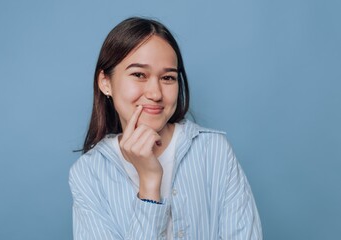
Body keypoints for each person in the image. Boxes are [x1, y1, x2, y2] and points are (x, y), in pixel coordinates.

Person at [69, 17, 262, 239]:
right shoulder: (88, 173)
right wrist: (150, 183)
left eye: (168, 78)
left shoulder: (214, 151)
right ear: (105, 82)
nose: (156, 93)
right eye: (139, 74)